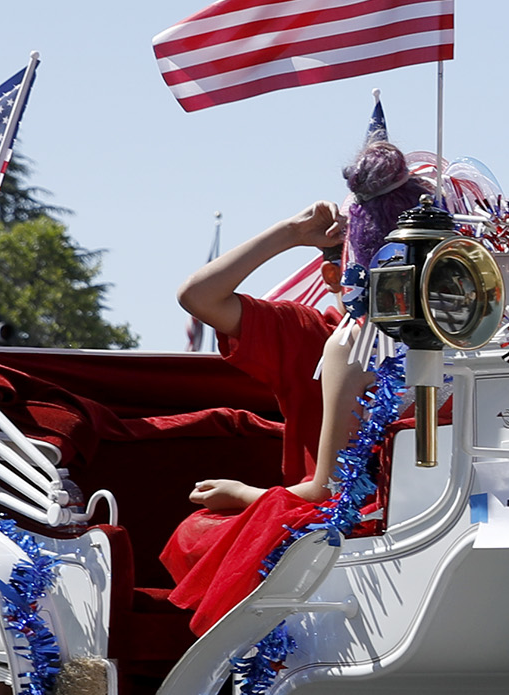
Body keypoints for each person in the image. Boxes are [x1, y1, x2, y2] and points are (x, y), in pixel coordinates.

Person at [161, 191, 386, 629]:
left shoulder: (449, 344)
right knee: (198, 531)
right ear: (333, 276)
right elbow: (198, 297)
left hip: (345, 518)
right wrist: (290, 234)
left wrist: (244, 495)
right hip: (338, 514)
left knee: (203, 531)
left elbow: (328, 491)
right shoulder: (310, 332)